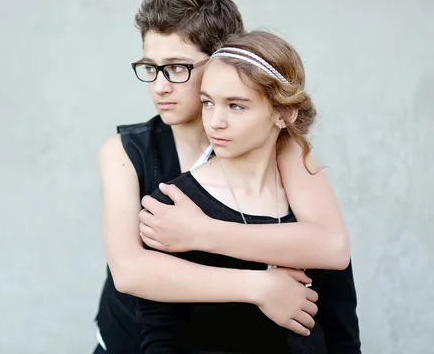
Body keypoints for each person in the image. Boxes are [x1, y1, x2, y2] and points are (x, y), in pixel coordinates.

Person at [94, 0, 360, 354]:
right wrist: (259, 287)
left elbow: (331, 247)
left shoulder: (277, 144)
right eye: (150, 68)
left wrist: (201, 232)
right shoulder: (126, 151)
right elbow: (130, 271)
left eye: (177, 68)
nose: (160, 86)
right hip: (128, 341)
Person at [137, 29, 339, 353]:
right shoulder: (172, 207)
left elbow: (339, 320)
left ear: (284, 113)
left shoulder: (307, 201)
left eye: (236, 106)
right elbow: (158, 334)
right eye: (207, 103)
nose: (216, 121)